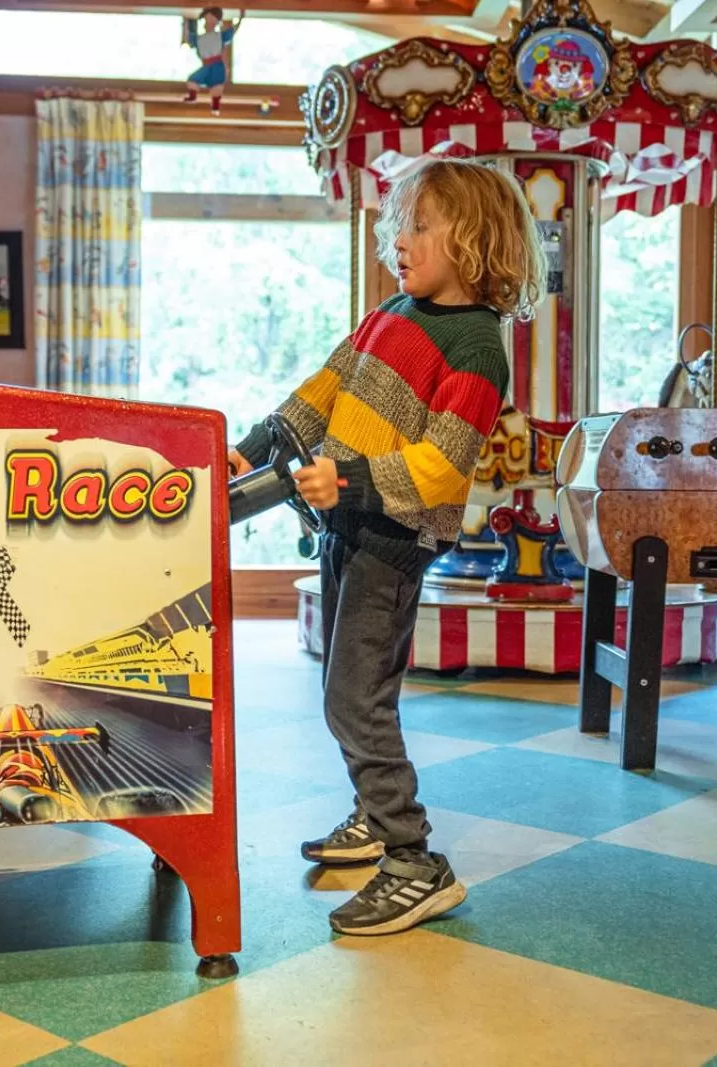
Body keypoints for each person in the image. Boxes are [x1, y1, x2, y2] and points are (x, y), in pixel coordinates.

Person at [228, 158, 545, 936]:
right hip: (347, 528)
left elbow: (444, 465)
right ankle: (373, 816)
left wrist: (352, 482)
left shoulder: (477, 346)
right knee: (349, 688)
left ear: (471, 239)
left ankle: (413, 860)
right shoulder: (390, 313)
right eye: (400, 225)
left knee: (354, 698)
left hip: (393, 539)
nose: (399, 240)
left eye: (419, 226)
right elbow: (326, 386)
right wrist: (256, 445)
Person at [182, 7, 244, 116]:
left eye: (211, 20)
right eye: (207, 20)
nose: (208, 23)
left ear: (216, 22)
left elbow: (233, 30)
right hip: (206, 64)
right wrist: (185, 23)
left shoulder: (220, 35)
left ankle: (215, 105)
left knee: (217, 85)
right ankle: (193, 96)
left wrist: (240, 18)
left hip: (217, 64)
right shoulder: (199, 38)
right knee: (193, 79)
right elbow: (188, 38)